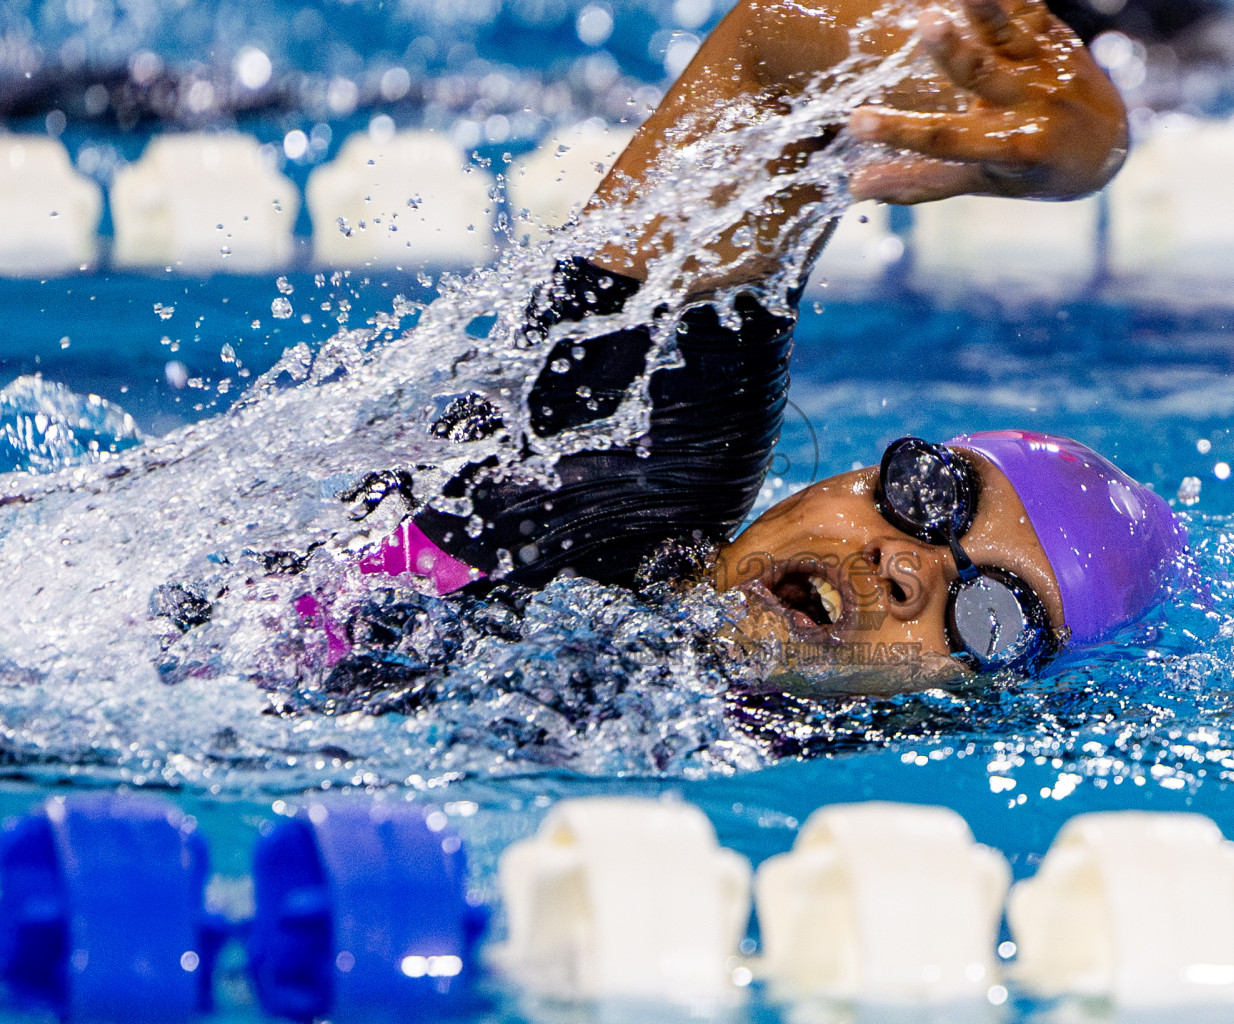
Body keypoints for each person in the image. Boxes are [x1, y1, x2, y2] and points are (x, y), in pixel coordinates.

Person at [349, 0, 1187, 684]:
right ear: (848, 476)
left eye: (994, 615)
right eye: (933, 493)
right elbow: (768, 66)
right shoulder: (620, 474)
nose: (910, 569)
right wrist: (1066, 130)